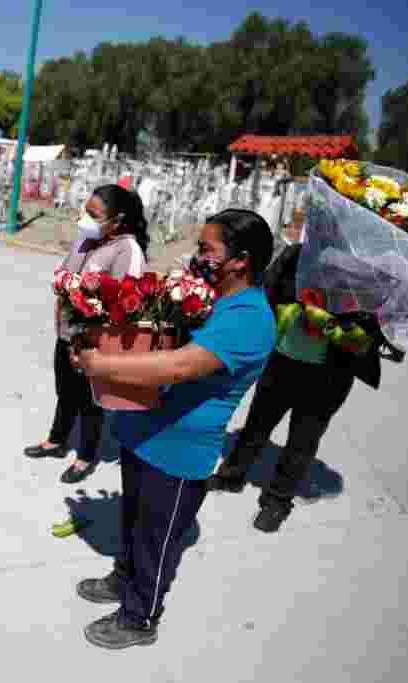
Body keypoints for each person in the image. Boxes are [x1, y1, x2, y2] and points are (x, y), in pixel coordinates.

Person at [69, 209, 275, 649]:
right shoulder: (208, 296)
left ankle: (140, 617)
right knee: (132, 522)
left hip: (180, 452)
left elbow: (181, 366)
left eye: (207, 249)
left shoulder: (250, 317)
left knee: (157, 541)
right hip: (143, 431)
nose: (198, 256)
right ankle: (124, 578)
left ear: (239, 261)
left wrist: (103, 364)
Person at [205, 241, 386, 532]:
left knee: (303, 441)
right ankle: (231, 476)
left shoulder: (368, 275)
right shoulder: (297, 254)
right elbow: (268, 290)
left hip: (329, 376)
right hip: (282, 361)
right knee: (257, 424)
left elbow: (368, 334)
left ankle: (278, 500)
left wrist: (326, 322)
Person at [24, 184, 149, 484]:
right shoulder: (86, 238)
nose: (85, 218)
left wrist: (92, 318)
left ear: (117, 221)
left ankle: (85, 456)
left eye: (94, 215)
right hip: (66, 332)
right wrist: (62, 284)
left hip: (94, 342)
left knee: (90, 402)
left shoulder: (126, 249)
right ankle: (56, 440)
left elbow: (126, 302)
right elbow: (66, 272)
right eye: (86, 210)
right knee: (65, 391)